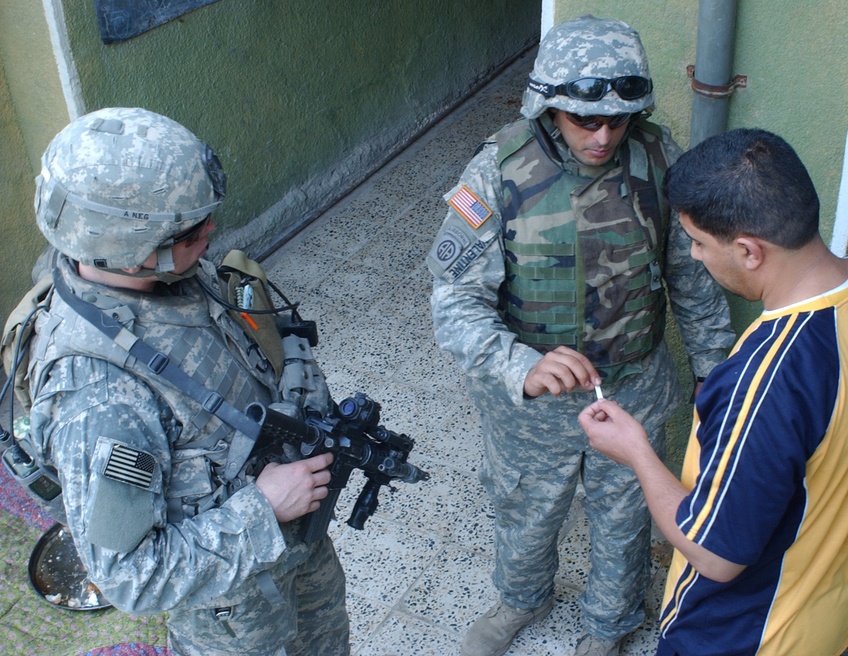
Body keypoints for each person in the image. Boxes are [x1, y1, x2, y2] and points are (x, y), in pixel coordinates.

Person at [427, 15, 734, 656]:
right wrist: (518, 365)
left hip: (635, 382)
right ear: (548, 108)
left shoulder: (656, 158)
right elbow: (454, 300)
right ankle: (522, 597)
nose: (602, 136)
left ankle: (610, 624)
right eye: (584, 121)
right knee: (526, 506)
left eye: (617, 121)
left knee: (625, 511)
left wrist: (717, 375)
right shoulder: (495, 174)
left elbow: (692, 276)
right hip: (532, 401)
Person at [579, 128, 848, 656]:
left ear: (749, 251)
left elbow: (715, 554)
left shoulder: (766, 379)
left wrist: (635, 451)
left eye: (699, 243)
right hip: (831, 615)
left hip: (747, 636)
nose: (697, 257)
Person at [18, 107, 350, 655]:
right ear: (127, 248)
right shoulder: (99, 394)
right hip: (233, 615)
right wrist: (262, 510)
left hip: (298, 549)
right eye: (191, 230)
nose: (211, 233)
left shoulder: (164, 273)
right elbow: (130, 576)